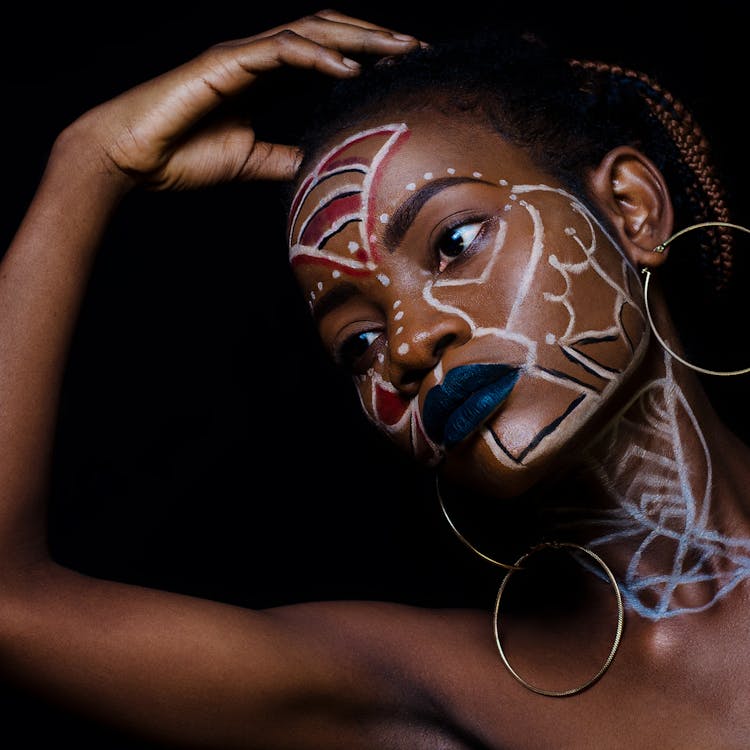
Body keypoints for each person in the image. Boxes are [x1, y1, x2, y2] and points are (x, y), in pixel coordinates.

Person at [1, 7, 749, 748]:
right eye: (357, 342)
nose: (410, 345)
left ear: (630, 209)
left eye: (455, 241)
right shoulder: (435, 697)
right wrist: (91, 160)